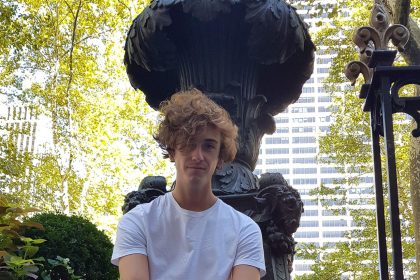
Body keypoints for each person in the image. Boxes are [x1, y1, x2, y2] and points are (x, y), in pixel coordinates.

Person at [111, 89, 266, 280]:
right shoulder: (137, 222)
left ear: (220, 157)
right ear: (172, 150)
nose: (198, 156)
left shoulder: (245, 230)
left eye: (208, 146)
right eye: (189, 143)